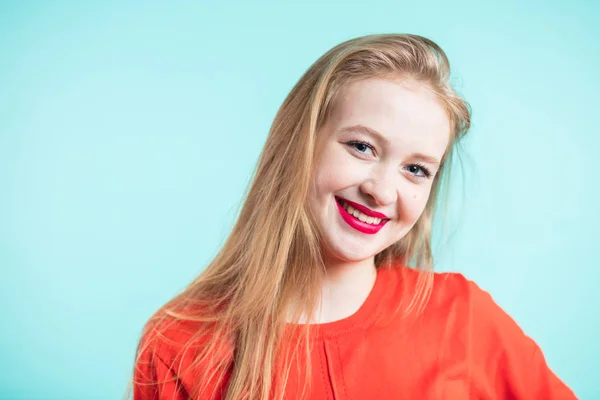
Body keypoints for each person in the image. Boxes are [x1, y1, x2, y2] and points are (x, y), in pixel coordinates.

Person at [131, 34, 576, 399]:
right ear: (298, 143)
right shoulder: (180, 341)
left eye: (416, 169)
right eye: (362, 147)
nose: (382, 190)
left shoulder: (464, 317)